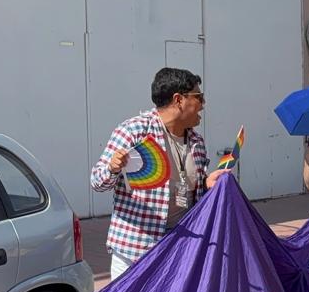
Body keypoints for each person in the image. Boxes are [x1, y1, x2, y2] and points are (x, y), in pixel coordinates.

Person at [90, 67, 228, 280]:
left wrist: (207, 181)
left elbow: (193, 188)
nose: (203, 104)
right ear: (178, 100)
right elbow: (97, 182)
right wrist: (113, 167)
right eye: (199, 97)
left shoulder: (197, 142)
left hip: (180, 247)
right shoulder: (134, 132)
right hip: (136, 252)